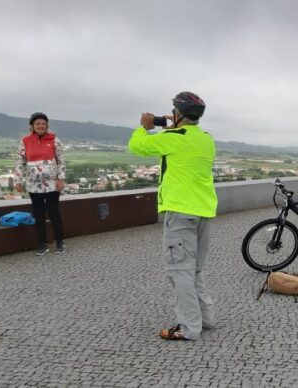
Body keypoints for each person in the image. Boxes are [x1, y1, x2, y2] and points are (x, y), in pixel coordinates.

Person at [128, 91, 218, 341]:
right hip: (204, 211)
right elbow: (184, 136)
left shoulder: (172, 137)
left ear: (178, 113)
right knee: (195, 270)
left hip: (180, 212)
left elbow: (137, 146)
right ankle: (206, 318)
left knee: (179, 270)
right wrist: (178, 123)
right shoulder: (207, 139)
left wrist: (144, 127)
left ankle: (189, 328)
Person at [15, 112, 66, 255]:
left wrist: (61, 179)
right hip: (33, 184)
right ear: (32, 126)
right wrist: (18, 180)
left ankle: (59, 242)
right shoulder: (25, 141)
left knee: (54, 212)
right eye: (38, 123)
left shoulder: (55, 140)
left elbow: (61, 161)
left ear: (47, 125)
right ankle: (42, 244)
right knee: (39, 214)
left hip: (52, 183)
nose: (41, 125)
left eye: (43, 123)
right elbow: (20, 162)